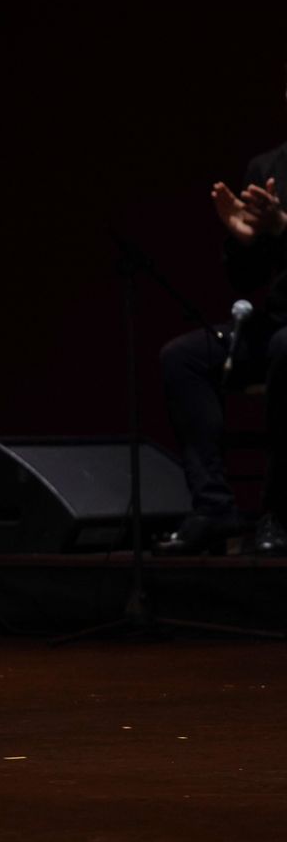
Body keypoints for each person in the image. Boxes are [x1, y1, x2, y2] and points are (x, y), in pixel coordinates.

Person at [156, 140, 286, 555]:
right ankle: (214, 508)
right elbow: (246, 281)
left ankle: (280, 514)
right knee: (184, 358)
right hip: (279, 324)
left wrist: (283, 226)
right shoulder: (267, 167)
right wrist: (243, 241)